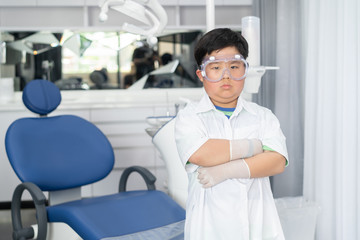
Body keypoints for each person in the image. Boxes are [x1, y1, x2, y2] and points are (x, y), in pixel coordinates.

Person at [174, 28, 288, 240]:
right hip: (209, 227)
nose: (226, 75)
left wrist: (225, 170)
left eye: (234, 66)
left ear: (244, 70)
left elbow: (277, 161)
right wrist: (254, 147)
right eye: (215, 67)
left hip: (259, 226)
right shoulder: (190, 117)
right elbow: (202, 154)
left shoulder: (262, 116)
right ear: (201, 74)